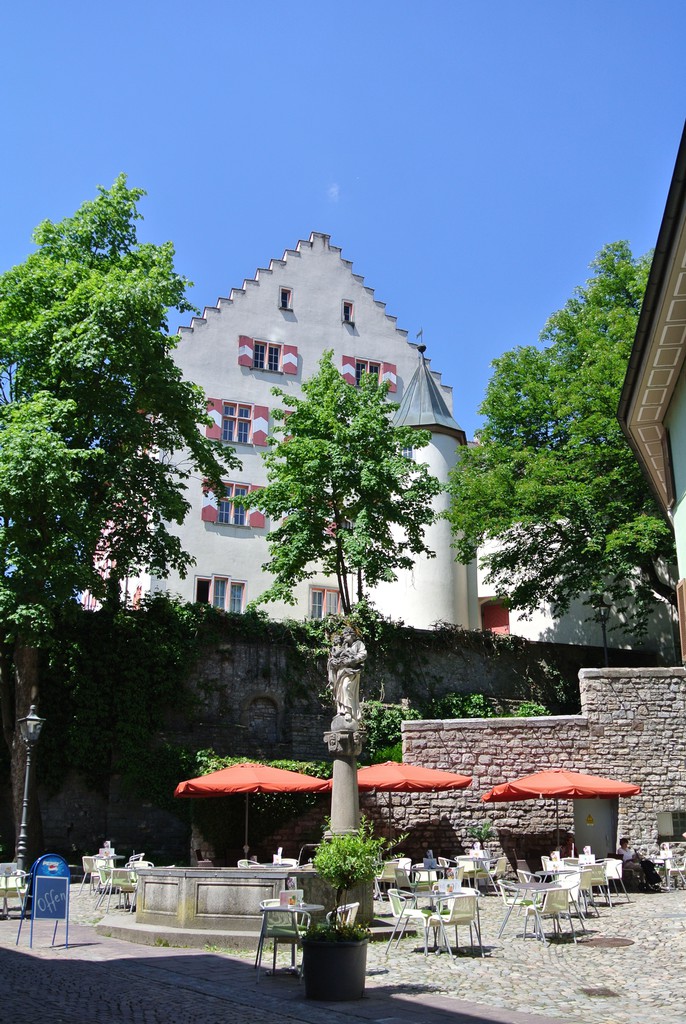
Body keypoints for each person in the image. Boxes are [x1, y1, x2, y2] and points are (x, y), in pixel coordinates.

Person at [327, 626, 367, 724]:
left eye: (346, 634)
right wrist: (333, 662)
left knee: (346, 687)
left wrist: (352, 659)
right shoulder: (343, 646)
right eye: (343, 635)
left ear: (352, 635)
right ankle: (341, 710)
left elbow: (363, 654)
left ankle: (348, 711)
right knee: (339, 691)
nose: (344, 636)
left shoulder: (358, 644)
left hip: (351, 671)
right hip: (341, 671)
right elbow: (335, 657)